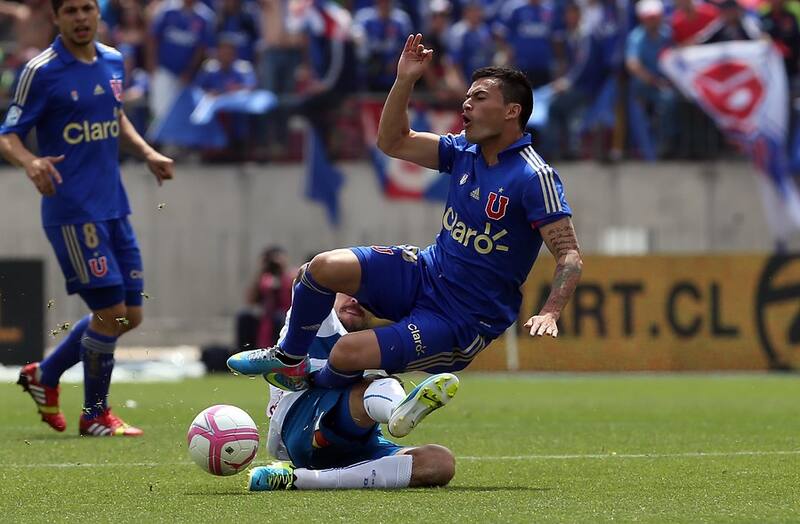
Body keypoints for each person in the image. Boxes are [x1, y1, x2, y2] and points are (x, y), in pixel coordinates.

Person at [227, 33, 582, 393]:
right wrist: (405, 79)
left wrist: (550, 311)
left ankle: (329, 400)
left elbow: (569, 255)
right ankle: (290, 359)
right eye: (467, 95)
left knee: (347, 352)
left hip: (462, 318)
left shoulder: (533, 177)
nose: (466, 104)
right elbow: (392, 142)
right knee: (320, 269)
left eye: (479, 97)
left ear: (511, 111)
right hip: (425, 272)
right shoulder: (463, 150)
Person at [0, 0, 174, 436]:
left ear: (98, 14)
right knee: (110, 312)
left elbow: (114, 116)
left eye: (87, 9)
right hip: (73, 212)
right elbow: (9, 135)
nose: (80, 18)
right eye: (71, 11)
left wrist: (148, 151)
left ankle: (44, 374)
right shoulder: (41, 71)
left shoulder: (113, 60)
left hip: (114, 206)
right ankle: (95, 413)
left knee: (128, 316)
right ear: (55, 18)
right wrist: (31, 163)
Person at [248, 290, 457, 490]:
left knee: (440, 462)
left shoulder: (383, 337)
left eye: (369, 297)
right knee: (373, 384)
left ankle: (301, 479)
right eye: (349, 290)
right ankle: (396, 410)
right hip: (303, 424)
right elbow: (308, 276)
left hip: (358, 439)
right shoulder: (319, 319)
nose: (356, 300)